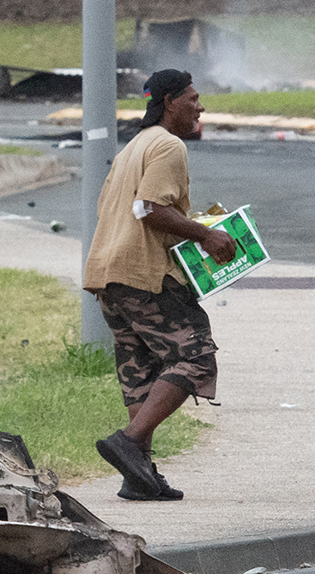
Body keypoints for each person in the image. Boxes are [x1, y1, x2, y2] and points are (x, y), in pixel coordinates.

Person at [81, 69, 238, 502]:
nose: (200, 107)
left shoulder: (135, 145)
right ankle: (128, 443)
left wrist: (192, 227)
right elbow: (148, 208)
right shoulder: (168, 145)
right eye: (193, 98)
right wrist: (205, 235)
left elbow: (117, 207)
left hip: (108, 275)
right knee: (196, 357)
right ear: (170, 101)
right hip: (144, 275)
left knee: (141, 374)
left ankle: (139, 478)